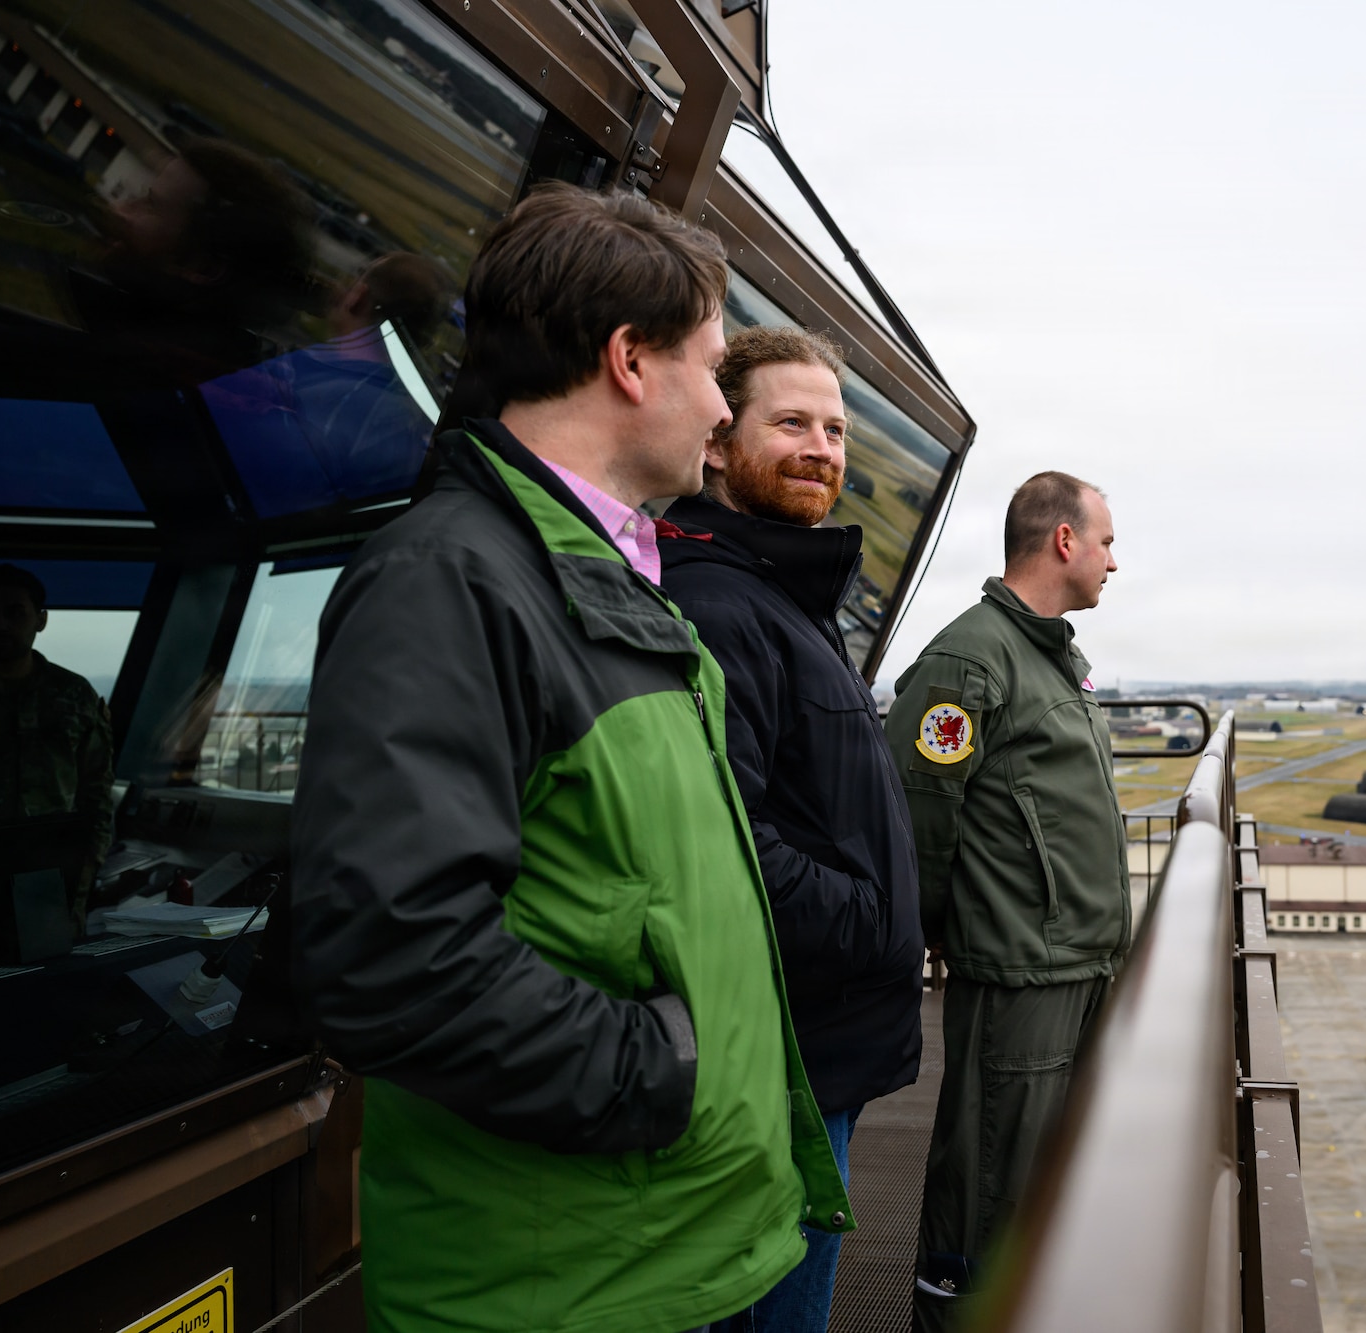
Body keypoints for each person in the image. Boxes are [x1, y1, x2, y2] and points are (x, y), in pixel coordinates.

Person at [288, 183, 852, 1333]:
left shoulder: (602, 577)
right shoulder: (449, 579)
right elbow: (391, 955)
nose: (718, 404)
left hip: (651, 1249)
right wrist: (663, 1073)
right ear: (628, 362)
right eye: (708, 366)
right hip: (563, 1279)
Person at [662, 326, 924, 1332]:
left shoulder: (779, 595)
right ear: (720, 440)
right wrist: (866, 919)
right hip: (780, 1058)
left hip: (817, 1046)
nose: (823, 447)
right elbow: (720, 841)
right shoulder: (717, 604)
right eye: (791, 423)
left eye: (834, 427)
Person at [883, 471, 1128, 1332]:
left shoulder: (1052, 654)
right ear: (1064, 541)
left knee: (1046, 1186)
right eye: (1105, 541)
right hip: (1019, 974)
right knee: (990, 1185)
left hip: (1076, 967)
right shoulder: (969, 661)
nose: (1113, 561)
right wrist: (951, 933)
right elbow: (916, 823)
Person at [0, 564, 116, 951]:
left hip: (47, 870)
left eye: (15, 612)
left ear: (41, 620)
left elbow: (97, 790)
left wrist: (85, 873)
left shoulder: (74, 695)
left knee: (44, 985)